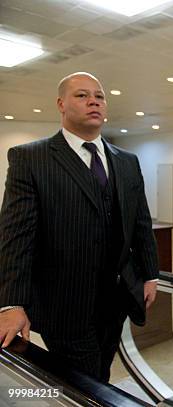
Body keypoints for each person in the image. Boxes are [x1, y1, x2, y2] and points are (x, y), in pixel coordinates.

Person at [0, 72, 159, 382]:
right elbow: (16, 237)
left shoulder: (126, 161)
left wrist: (150, 273)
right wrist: (11, 303)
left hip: (116, 298)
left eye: (99, 96)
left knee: (100, 373)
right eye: (82, 95)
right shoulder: (31, 158)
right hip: (65, 302)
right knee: (85, 381)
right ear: (61, 104)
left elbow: (140, 221)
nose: (93, 102)